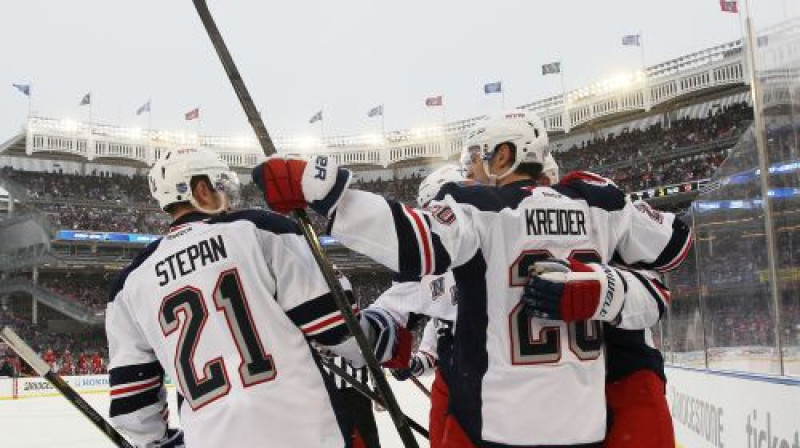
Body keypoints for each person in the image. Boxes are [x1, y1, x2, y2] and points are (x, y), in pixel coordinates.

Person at [253, 110, 692, 447]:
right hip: (586, 418)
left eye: (479, 158)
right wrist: (606, 283)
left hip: (502, 421)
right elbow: (674, 246)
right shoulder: (599, 199)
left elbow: (414, 242)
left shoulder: (480, 209)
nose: (472, 170)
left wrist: (326, 194)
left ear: (505, 154)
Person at [106, 148, 405, 448]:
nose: (229, 199)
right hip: (307, 432)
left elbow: (133, 405)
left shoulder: (128, 285)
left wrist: (160, 442)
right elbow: (341, 331)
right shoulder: (260, 229)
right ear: (200, 190)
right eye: (221, 187)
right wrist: (385, 337)